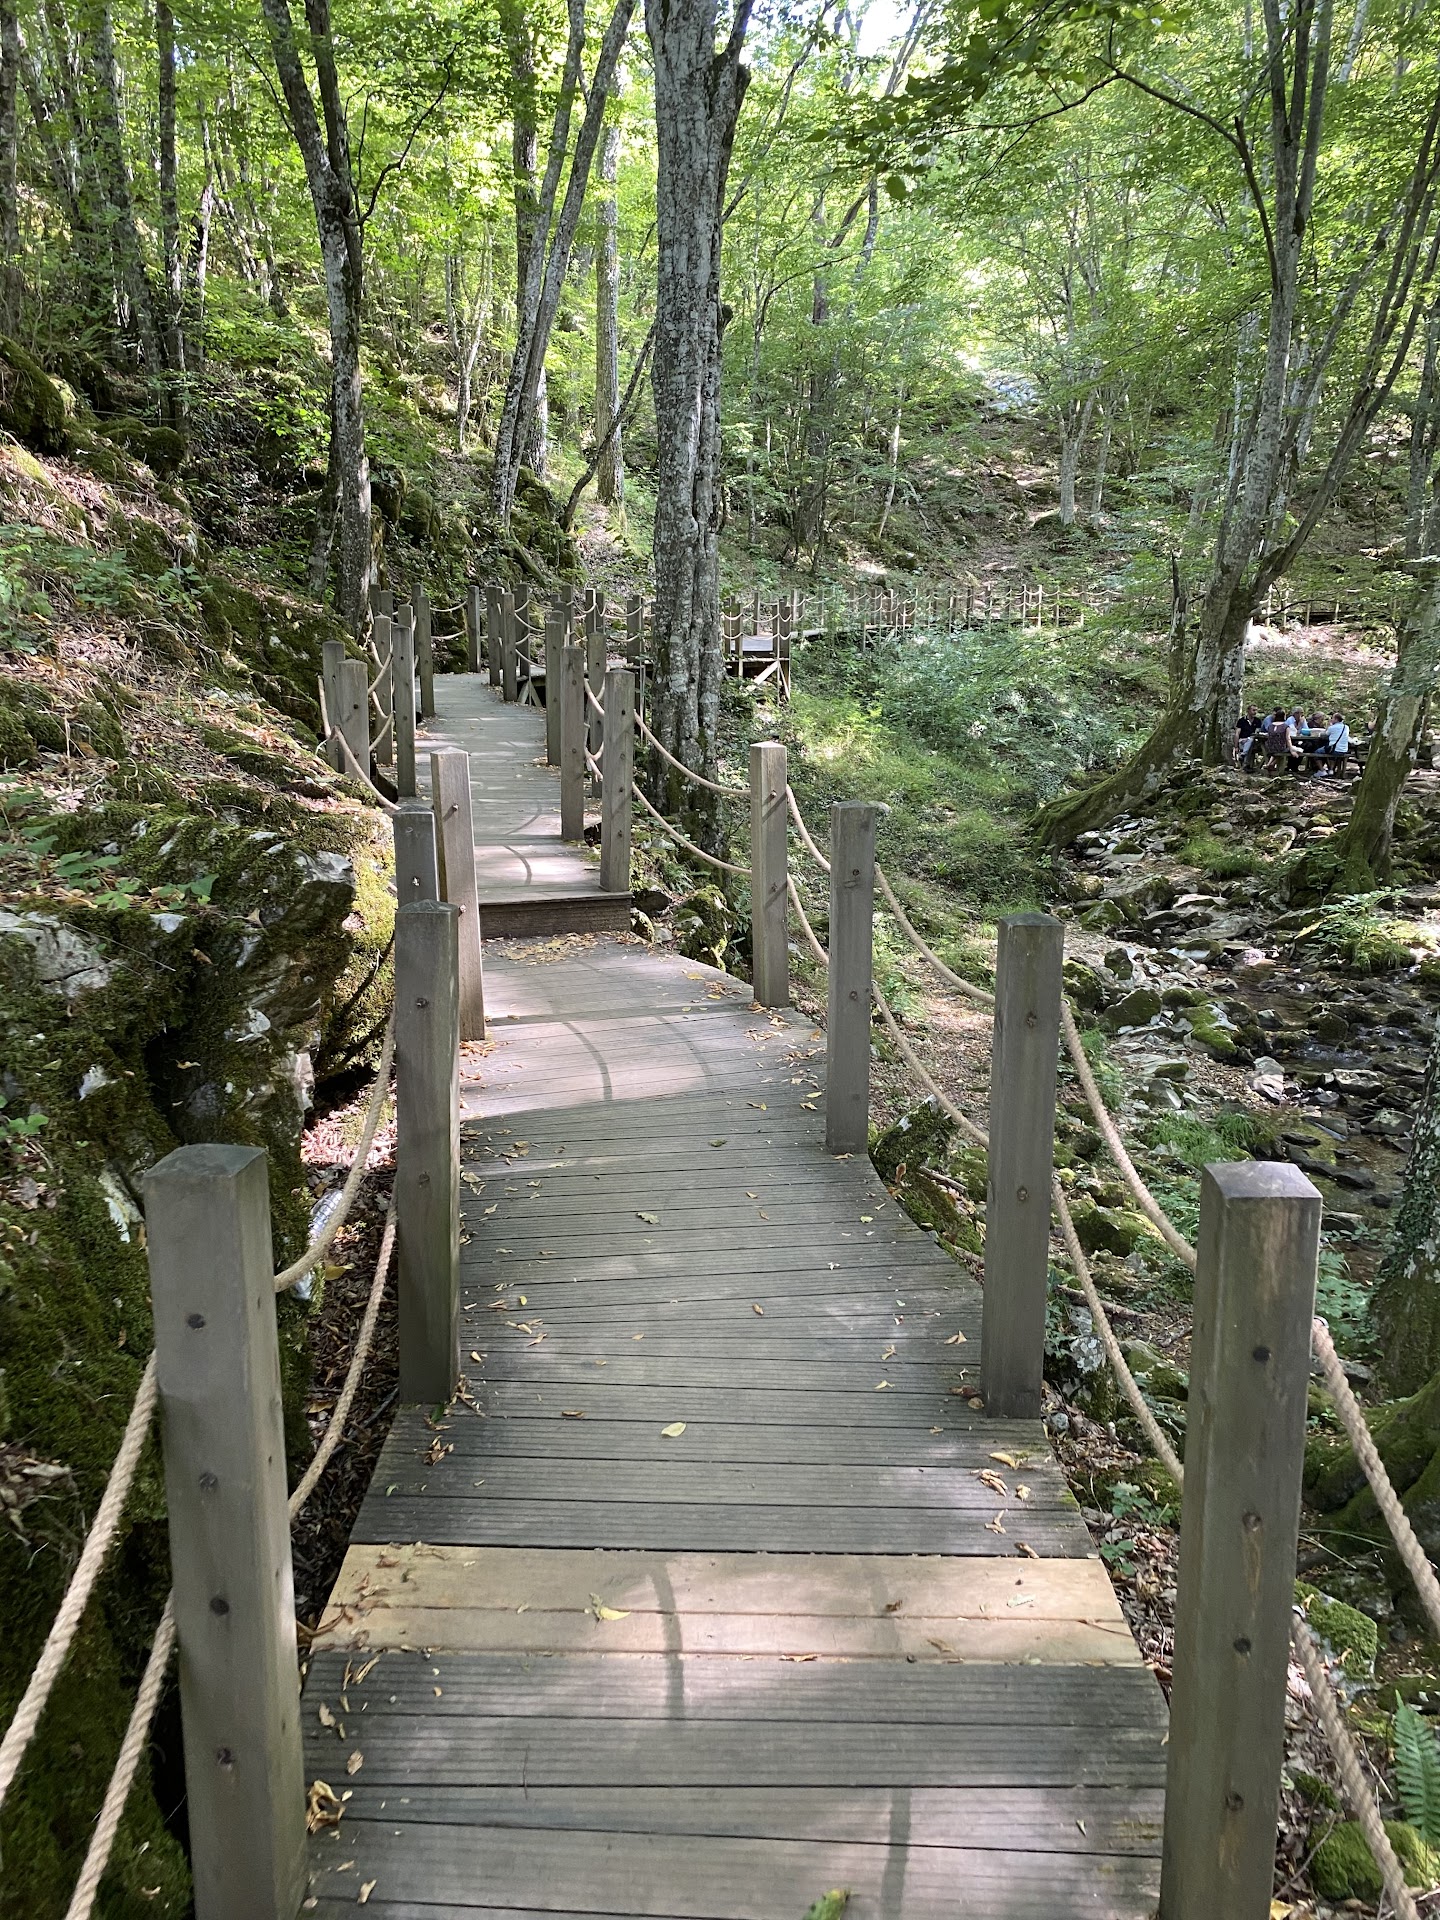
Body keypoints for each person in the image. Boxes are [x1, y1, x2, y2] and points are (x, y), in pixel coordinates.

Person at [1263, 707, 1291, 775]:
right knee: (1286, 750)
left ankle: (1269, 764)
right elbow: (1288, 739)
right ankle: (1273, 765)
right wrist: (1291, 748)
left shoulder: (1270, 726)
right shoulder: (1285, 726)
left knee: (1276, 751)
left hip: (1269, 747)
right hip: (1280, 748)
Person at [1236, 705, 1261, 769]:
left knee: (1251, 740)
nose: (1255, 712)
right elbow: (1237, 733)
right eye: (1253, 710)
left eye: (1256, 710)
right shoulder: (1241, 721)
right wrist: (1236, 746)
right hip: (1242, 740)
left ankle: (1243, 756)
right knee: (1249, 744)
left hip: (1253, 740)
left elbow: (1256, 733)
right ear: (1248, 710)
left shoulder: (1258, 721)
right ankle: (1246, 765)